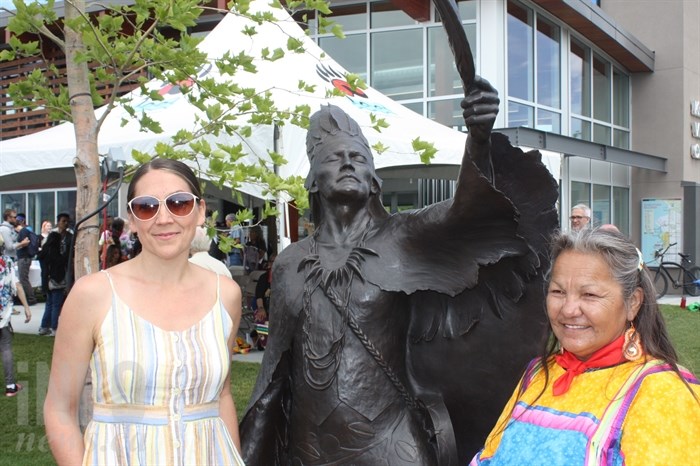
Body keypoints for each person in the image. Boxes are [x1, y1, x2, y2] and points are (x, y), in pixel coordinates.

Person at [240, 78, 560, 464]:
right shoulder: (291, 262)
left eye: (358, 158)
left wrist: (477, 138)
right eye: (333, 158)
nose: (347, 163)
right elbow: (274, 373)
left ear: (374, 179)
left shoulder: (404, 239)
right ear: (312, 179)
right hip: (310, 448)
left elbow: (467, 212)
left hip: (391, 443)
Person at [43, 158, 245, 465]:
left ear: (201, 211)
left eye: (179, 203)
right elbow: (58, 409)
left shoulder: (225, 295)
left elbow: (222, 396)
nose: (163, 218)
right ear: (132, 219)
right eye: (147, 207)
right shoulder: (93, 295)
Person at [470, 228, 700, 465]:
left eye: (589, 294)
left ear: (632, 303)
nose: (568, 310)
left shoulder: (663, 393)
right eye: (558, 291)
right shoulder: (538, 374)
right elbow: (489, 456)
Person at [0, 245, 32, 397]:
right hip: (2, 314)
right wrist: (26, 307)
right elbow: (17, 285)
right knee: (6, 348)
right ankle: (10, 386)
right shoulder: (7, 262)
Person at [37, 213, 73, 337]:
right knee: (55, 303)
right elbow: (62, 259)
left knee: (50, 303)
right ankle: (53, 327)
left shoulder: (69, 236)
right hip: (56, 276)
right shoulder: (54, 238)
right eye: (63, 221)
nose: (66, 223)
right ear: (58, 222)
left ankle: (44, 326)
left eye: (67, 221)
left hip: (51, 276)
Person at [15, 213, 39, 305]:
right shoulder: (28, 230)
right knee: (23, 278)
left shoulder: (23, 231)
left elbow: (21, 244)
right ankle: (27, 297)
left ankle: (31, 298)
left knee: (23, 279)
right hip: (25, 258)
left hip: (24, 258)